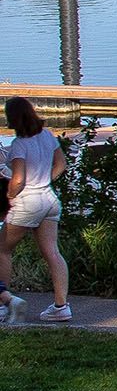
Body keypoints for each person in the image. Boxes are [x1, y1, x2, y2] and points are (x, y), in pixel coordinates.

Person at [3, 95, 73, 324]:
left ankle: (3, 304)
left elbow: (19, 179)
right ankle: (61, 307)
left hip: (28, 202)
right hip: (50, 199)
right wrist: (44, 180)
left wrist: (10, 194)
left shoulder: (19, 145)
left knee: (2, 250)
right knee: (52, 252)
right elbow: (61, 164)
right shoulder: (47, 136)